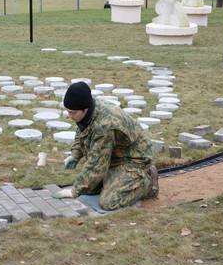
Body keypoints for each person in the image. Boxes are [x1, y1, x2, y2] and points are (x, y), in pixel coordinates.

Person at [51, 82, 159, 210]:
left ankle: (146, 182)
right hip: (115, 154)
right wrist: (75, 154)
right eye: (68, 111)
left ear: (85, 109)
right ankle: (114, 180)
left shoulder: (105, 125)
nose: (69, 116)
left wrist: (75, 191)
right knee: (89, 189)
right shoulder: (89, 109)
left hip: (133, 159)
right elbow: (83, 131)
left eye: (73, 112)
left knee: (109, 202)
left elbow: (97, 164)